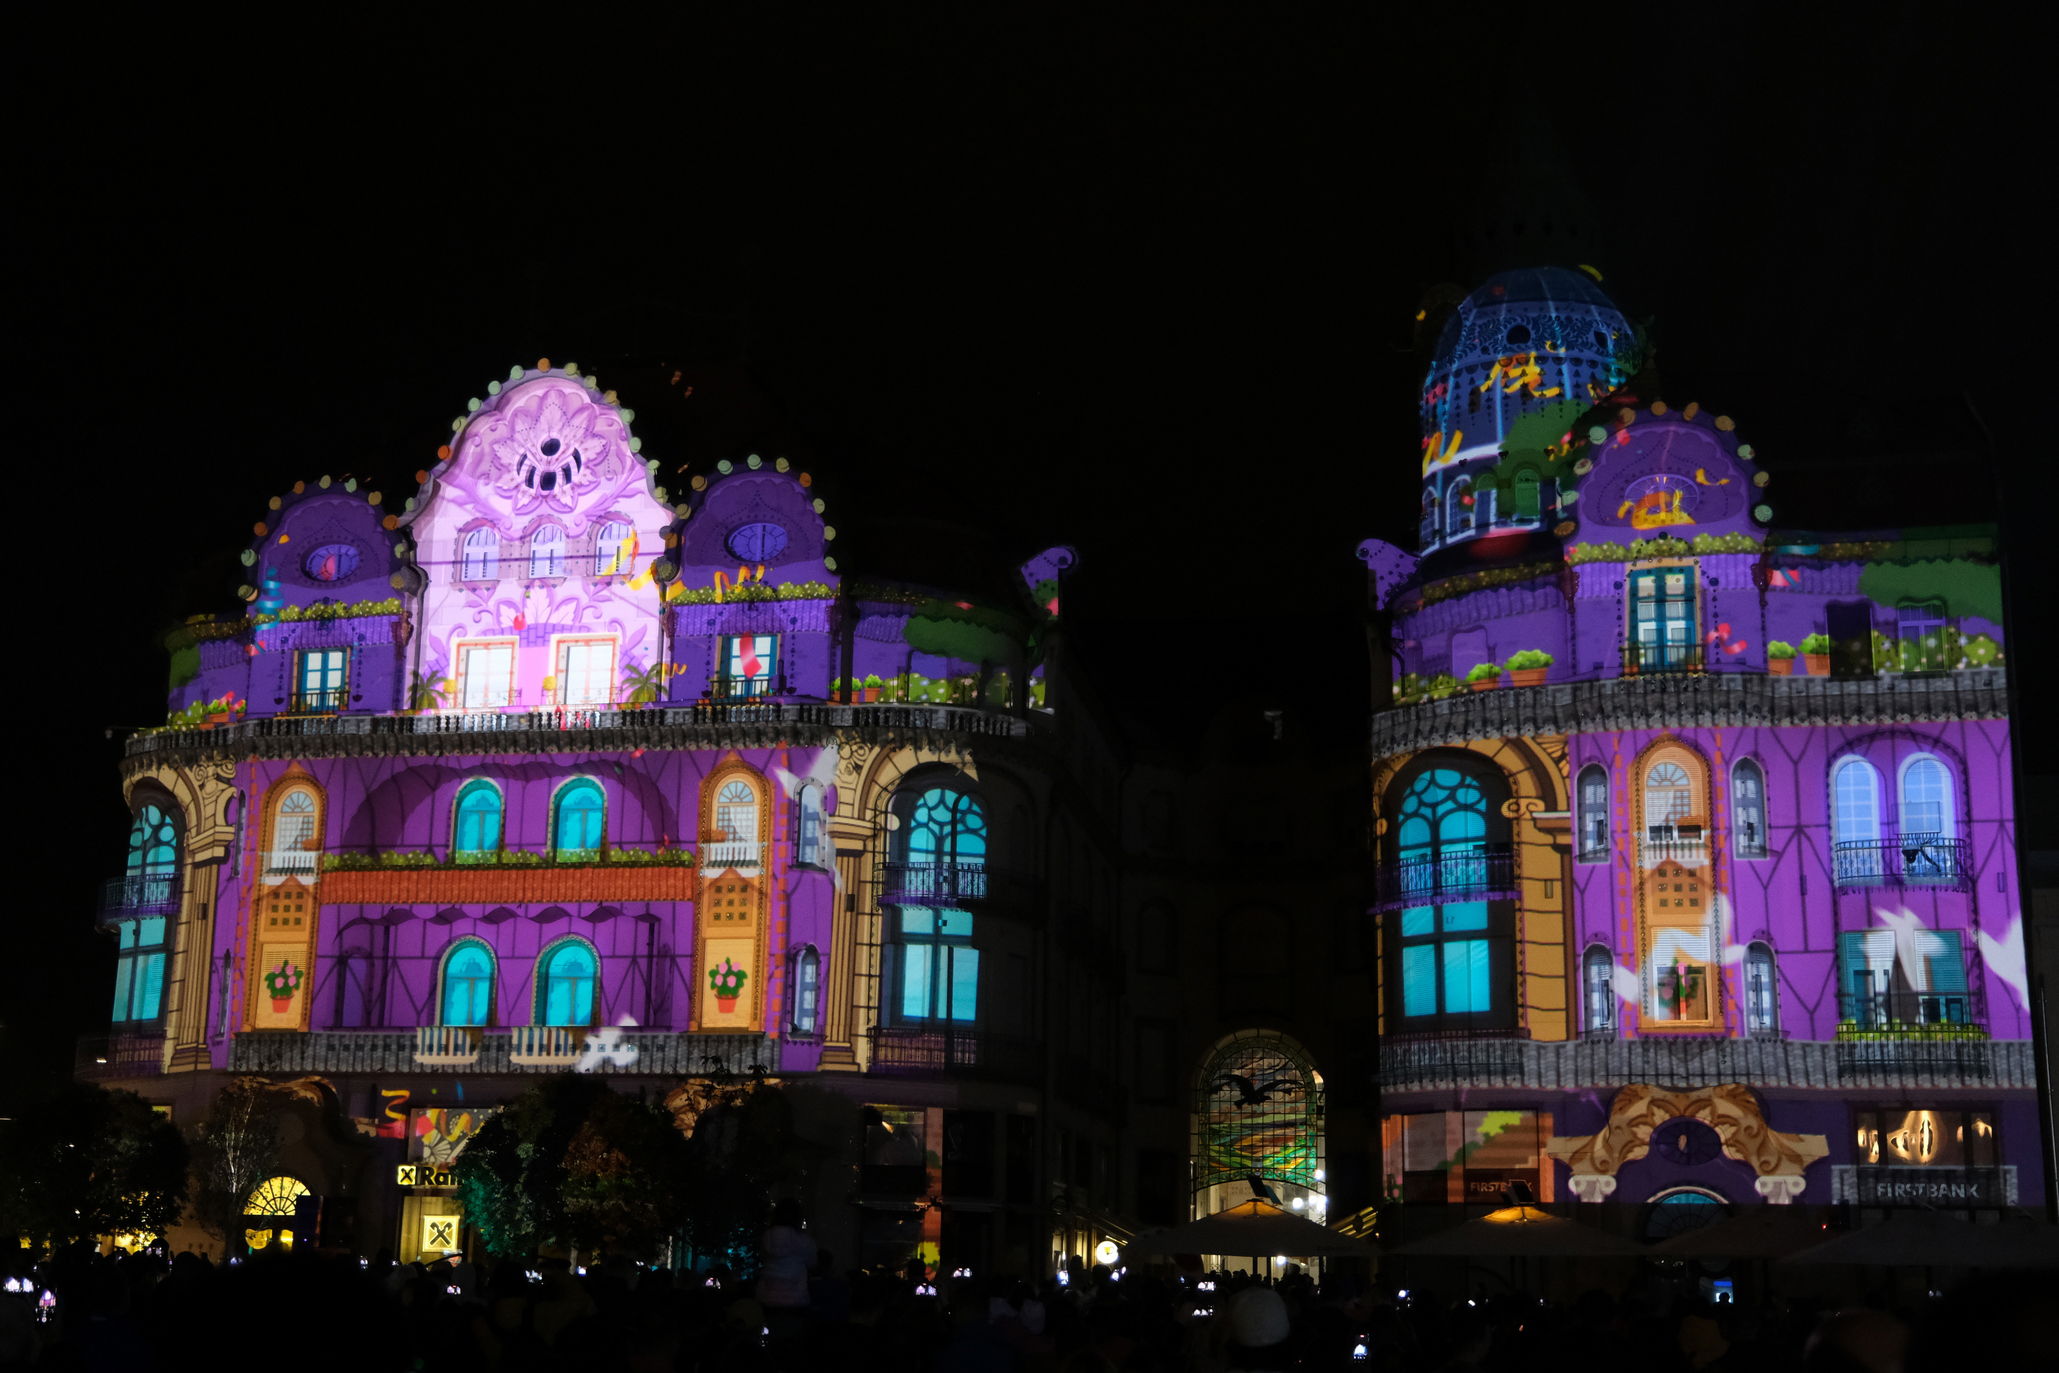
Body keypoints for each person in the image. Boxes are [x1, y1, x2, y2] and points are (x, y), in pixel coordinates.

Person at [759, 1198, 816, 1342]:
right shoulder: (804, 1241)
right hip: (796, 1298)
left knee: (771, 1338)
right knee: (793, 1342)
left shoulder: (766, 1238)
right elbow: (812, 1263)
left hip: (768, 1297)